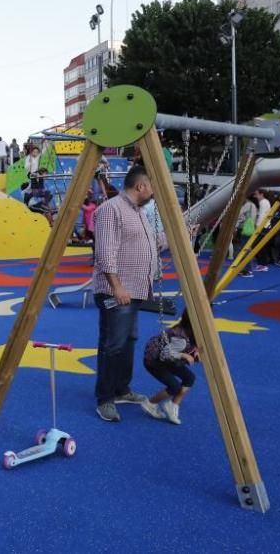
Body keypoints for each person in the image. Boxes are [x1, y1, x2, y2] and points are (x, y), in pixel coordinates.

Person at [92, 166, 161, 422]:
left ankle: (121, 388)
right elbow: (105, 252)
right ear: (140, 186)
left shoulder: (140, 213)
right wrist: (117, 286)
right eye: (151, 186)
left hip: (134, 290)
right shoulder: (111, 209)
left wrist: (182, 236)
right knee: (113, 344)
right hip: (118, 290)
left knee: (128, 340)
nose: (153, 191)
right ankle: (105, 398)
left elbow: (151, 244)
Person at [141, 311, 198, 425]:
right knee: (174, 386)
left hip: (169, 360)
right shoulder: (181, 340)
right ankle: (150, 403)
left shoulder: (190, 333)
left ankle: (173, 405)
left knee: (189, 378)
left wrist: (195, 351)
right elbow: (165, 354)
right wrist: (184, 355)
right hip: (155, 362)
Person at [234, 196, 259, 278]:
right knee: (246, 250)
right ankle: (246, 269)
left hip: (244, 230)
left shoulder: (246, 206)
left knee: (243, 250)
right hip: (250, 229)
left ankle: (247, 270)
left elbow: (239, 217)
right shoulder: (253, 205)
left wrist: (235, 226)